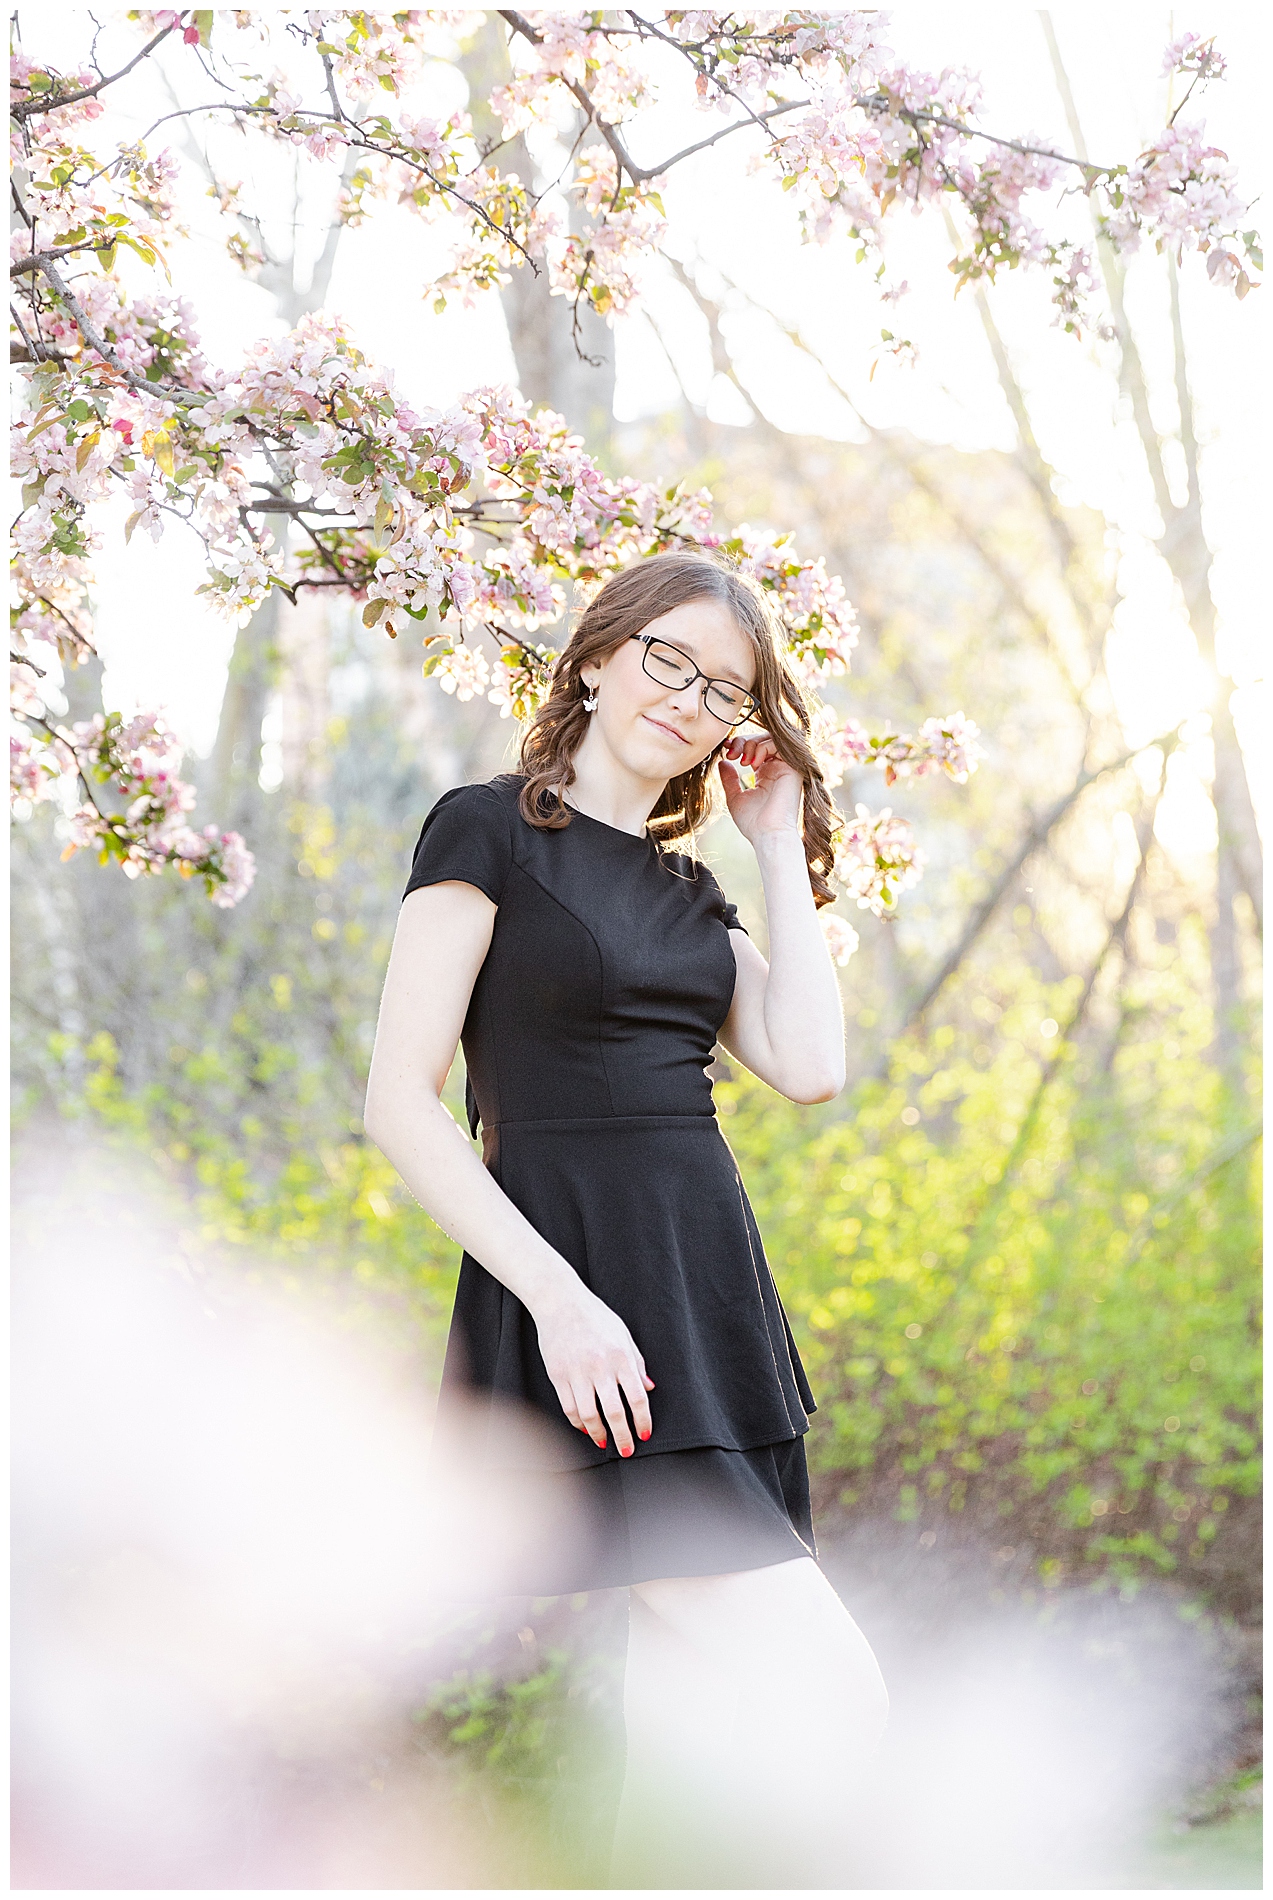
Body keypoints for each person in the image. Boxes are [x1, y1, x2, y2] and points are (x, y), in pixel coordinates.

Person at [365, 549, 889, 1883]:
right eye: (668, 659)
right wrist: (559, 1301)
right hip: (591, 1322)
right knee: (833, 1697)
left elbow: (810, 1065)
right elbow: (399, 1103)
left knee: (685, 1751)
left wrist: (775, 843)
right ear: (598, 658)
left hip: (713, 1320)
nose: (689, 698)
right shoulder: (486, 831)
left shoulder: (691, 896)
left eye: (724, 689)